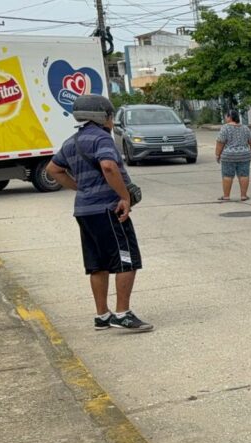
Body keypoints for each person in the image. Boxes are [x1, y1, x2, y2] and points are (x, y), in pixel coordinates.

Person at [45, 94, 153, 332]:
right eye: (110, 115)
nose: (112, 120)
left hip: (84, 211)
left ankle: (102, 315)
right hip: (108, 209)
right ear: (103, 117)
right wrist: (124, 197)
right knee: (127, 259)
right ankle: (123, 314)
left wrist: (80, 187)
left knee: (98, 265)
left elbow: (53, 169)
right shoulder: (102, 139)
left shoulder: (72, 141)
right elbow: (108, 166)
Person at [215, 110, 251, 201]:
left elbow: (220, 142)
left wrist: (217, 155)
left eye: (226, 116)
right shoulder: (245, 128)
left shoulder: (225, 128)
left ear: (230, 117)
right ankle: (243, 195)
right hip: (244, 155)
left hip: (229, 156)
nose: (225, 118)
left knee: (227, 175)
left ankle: (226, 196)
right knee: (244, 175)